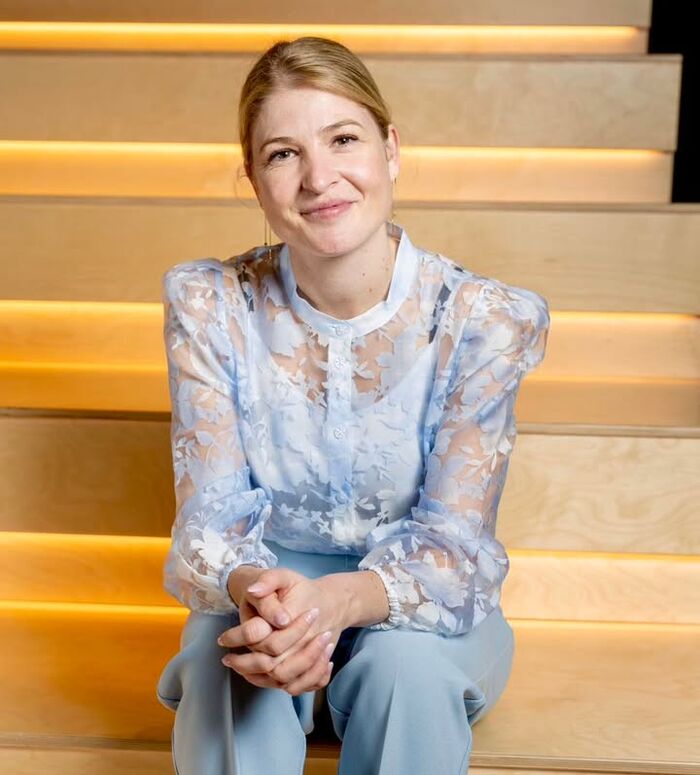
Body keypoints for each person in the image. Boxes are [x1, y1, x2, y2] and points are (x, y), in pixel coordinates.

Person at [155, 35, 550, 775]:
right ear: (253, 178)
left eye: (343, 139)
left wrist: (338, 602)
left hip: (422, 612)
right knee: (225, 663)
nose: (318, 178)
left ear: (390, 149)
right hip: (267, 599)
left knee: (407, 673)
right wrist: (262, 598)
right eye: (283, 154)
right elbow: (208, 520)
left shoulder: (484, 320)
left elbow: (453, 546)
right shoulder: (211, 305)